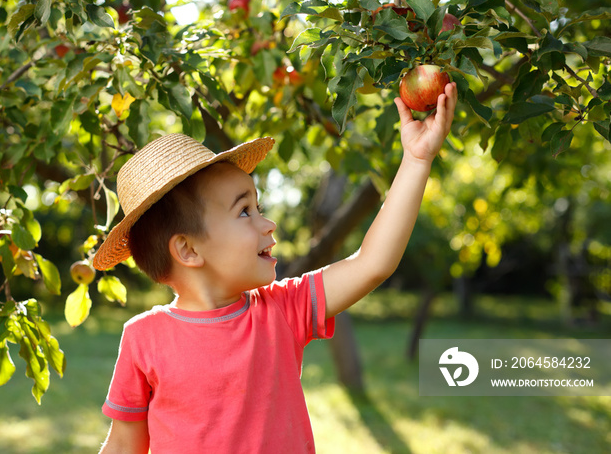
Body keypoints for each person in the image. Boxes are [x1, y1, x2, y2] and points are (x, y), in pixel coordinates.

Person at [95, 83, 458, 453]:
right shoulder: (143, 339)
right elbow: (125, 445)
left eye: (259, 206)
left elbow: (372, 264)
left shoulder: (282, 311)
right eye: (244, 212)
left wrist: (416, 160)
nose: (268, 224)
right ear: (188, 249)